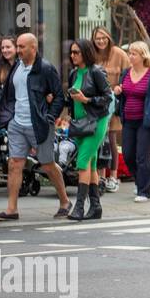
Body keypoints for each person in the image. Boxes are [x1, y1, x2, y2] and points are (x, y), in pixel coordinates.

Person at [0, 33, 71, 221]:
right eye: (17, 46)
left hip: (39, 125)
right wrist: (7, 116)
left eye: (22, 47)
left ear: (33, 48)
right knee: (14, 164)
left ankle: (65, 201)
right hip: (17, 124)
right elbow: (10, 93)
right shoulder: (16, 67)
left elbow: (59, 96)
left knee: (47, 164)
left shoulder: (45, 68)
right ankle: (11, 210)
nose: (18, 50)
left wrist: (49, 117)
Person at [62, 38, 113, 221]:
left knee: (82, 162)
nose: (72, 55)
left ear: (85, 53)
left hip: (96, 122)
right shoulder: (74, 73)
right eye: (72, 52)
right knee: (90, 164)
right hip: (79, 124)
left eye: (76, 52)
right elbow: (70, 100)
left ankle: (79, 207)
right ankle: (96, 207)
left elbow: (108, 97)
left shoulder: (96, 72)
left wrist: (87, 100)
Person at [116, 41, 150, 203]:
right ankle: (139, 181)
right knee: (129, 155)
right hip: (128, 121)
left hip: (145, 123)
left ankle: (144, 191)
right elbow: (122, 94)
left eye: (133, 53)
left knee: (142, 157)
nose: (130, 56)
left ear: (142, 56)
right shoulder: (125, 73)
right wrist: (118, 92)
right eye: (129, 52)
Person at [91, 28, 127, 193]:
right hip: (96, 104)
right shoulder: (91, 54)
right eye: (97, 38)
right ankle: (100, 176)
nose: (101, 41)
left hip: (113, 102)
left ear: (108, 38)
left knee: (111, 139)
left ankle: (113, 176)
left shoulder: (118, 53)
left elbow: (129, 73)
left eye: (103, 38)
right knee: (98, 140)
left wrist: (121, 86)